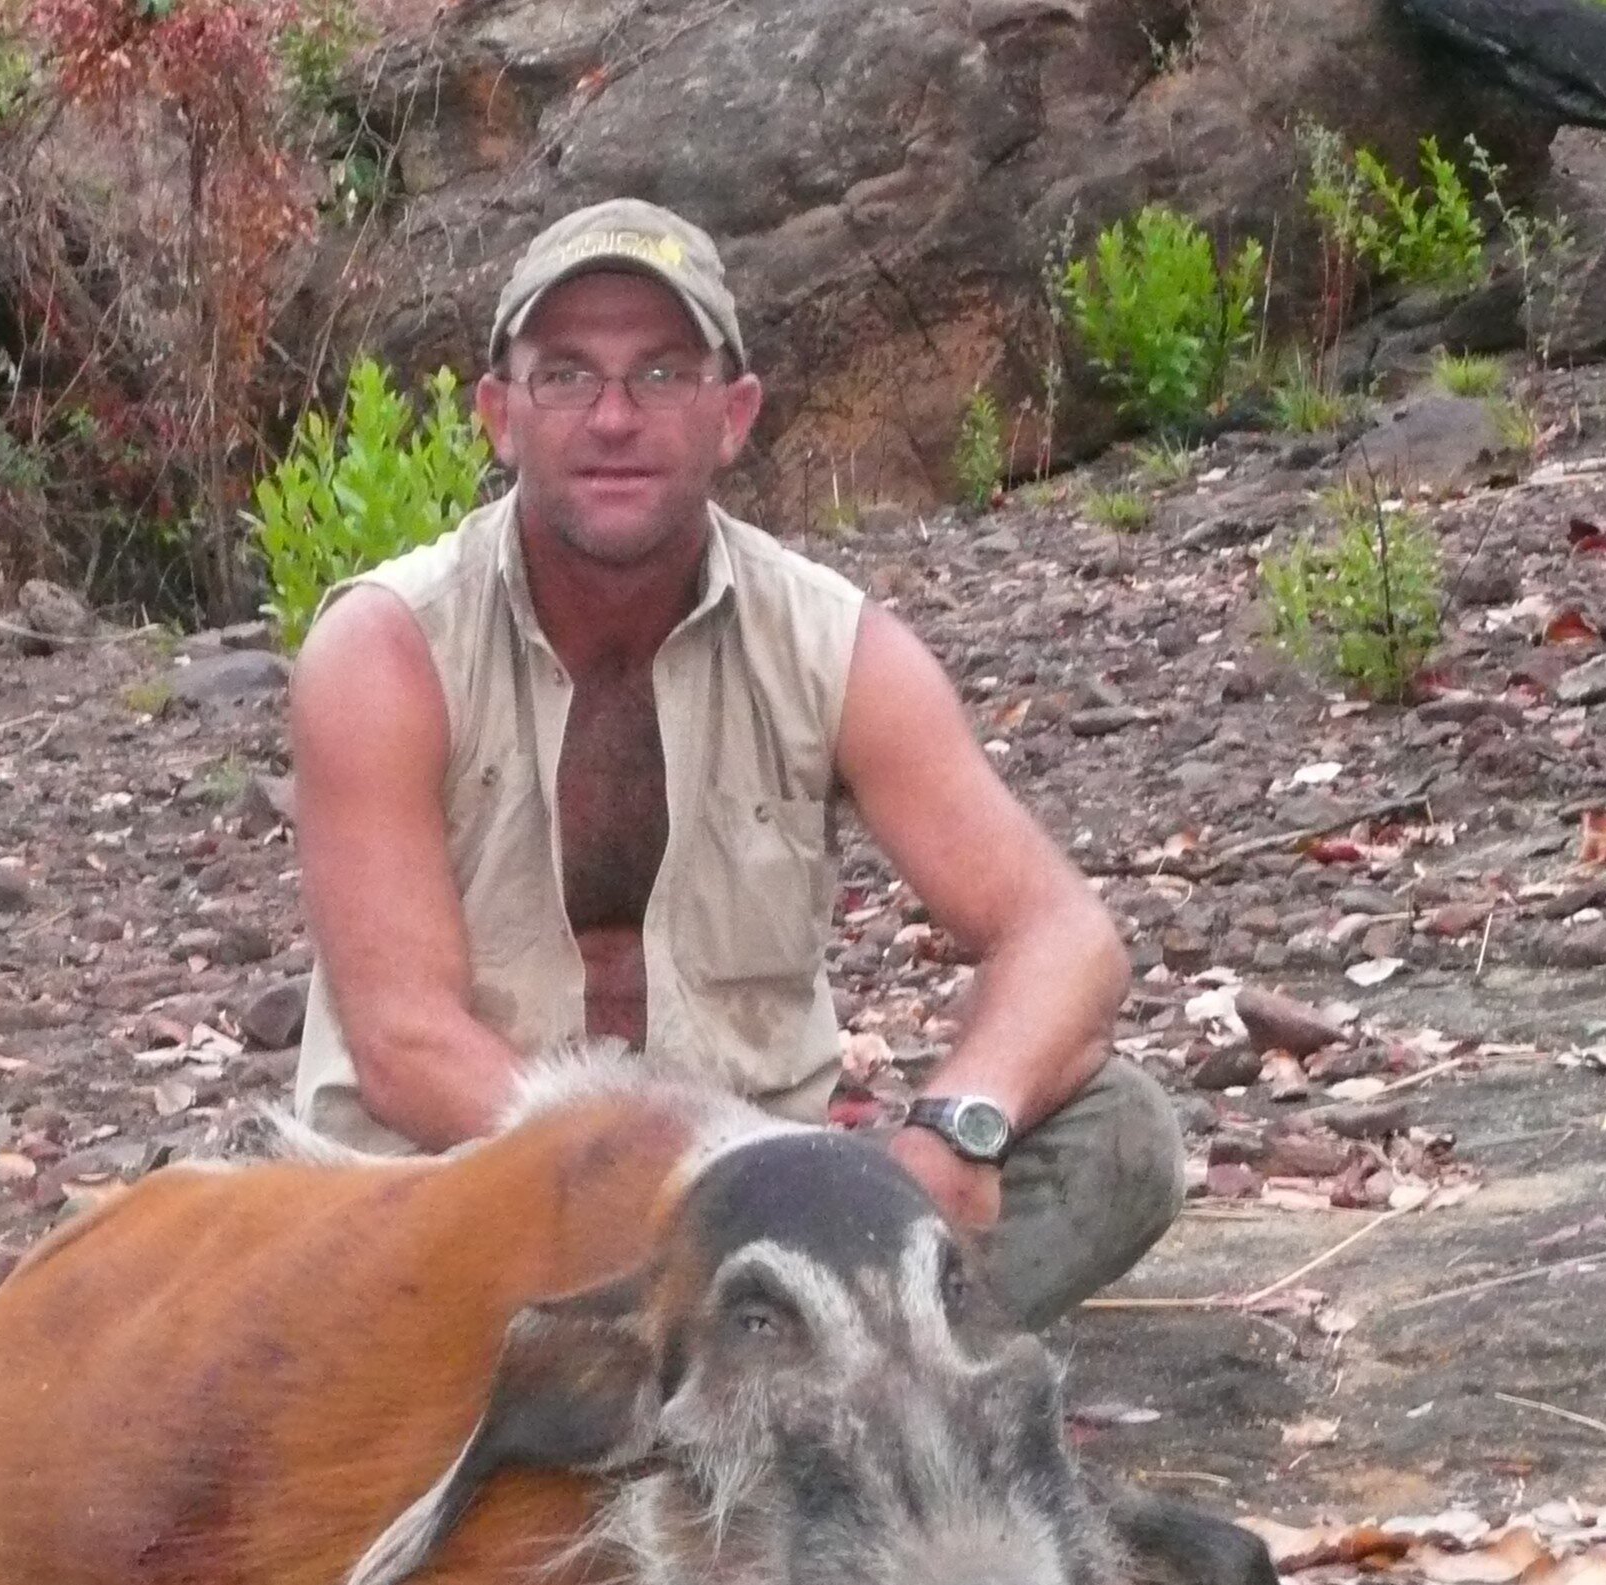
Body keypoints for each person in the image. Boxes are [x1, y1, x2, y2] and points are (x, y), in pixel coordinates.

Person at [285, 197, 1181, 1328]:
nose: (614, 417)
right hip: (460, 1205)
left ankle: (726, 1394)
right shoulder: (382, 651)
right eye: (567, 375)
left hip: (751, 1226)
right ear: (500, 416)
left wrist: (960, 1121)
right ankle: (825, 1385)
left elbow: (1064, 937)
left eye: (662, 374)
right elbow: (406, 1050)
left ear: (734, 413)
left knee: (1121, 1137)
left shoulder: (836, 646)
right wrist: (702, 1196)